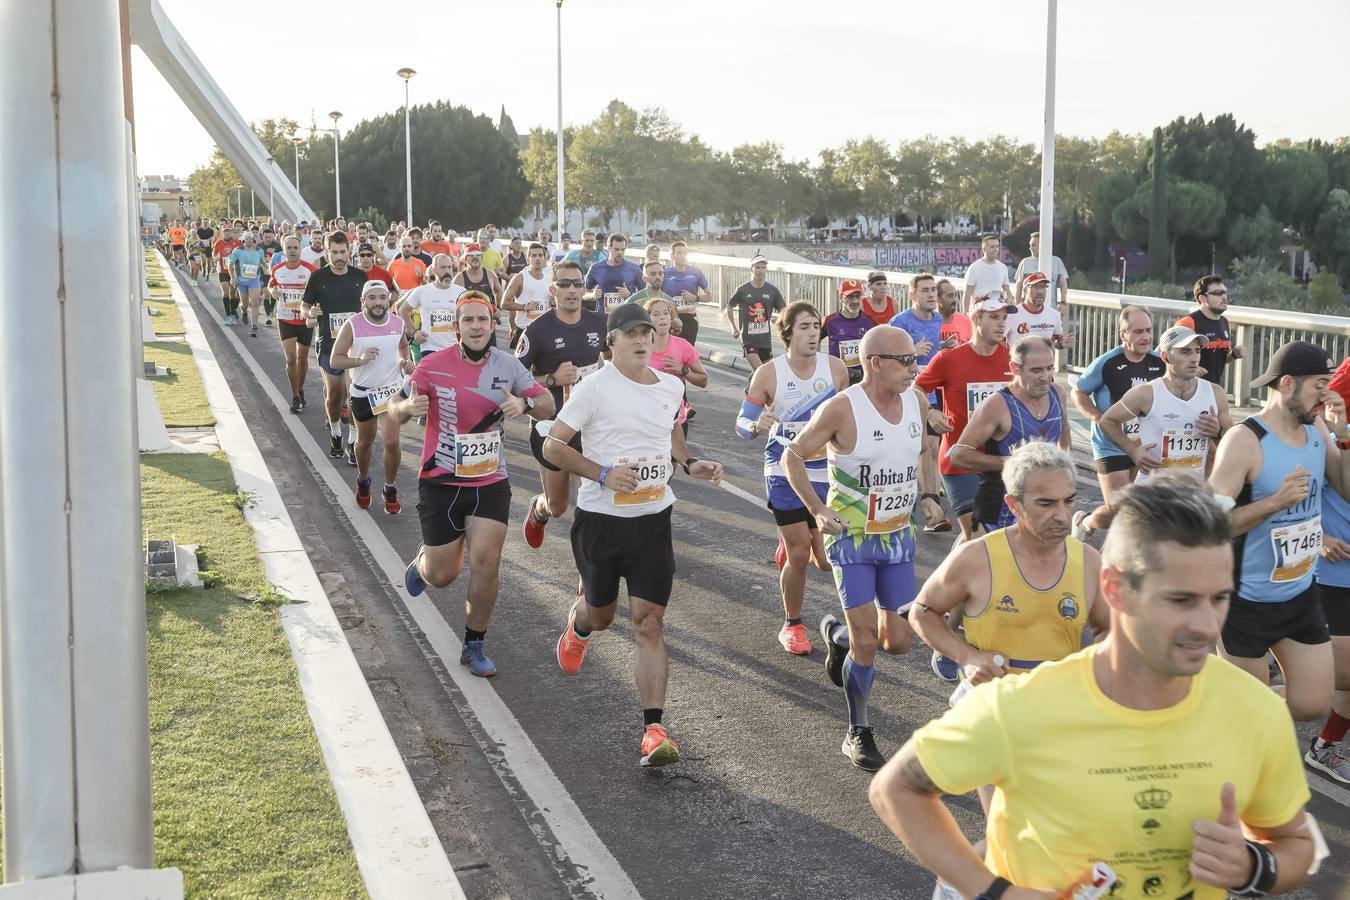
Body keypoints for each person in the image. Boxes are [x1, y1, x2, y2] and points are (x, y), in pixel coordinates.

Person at [870, 477, 1318, 900]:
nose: (1205, 626)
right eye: (1179, 600)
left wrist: (1252, 867)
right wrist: (993, 891)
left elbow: (1296, 844)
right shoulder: (1023, 705)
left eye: (1219, 598)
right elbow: (896, 790)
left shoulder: (1254, 708)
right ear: (1115, 588)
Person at [549, 303, 725, 768]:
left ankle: (653, 729)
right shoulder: (593, 389)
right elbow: (553, 445)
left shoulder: (671, 384)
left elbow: (669, 432)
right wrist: (602, 473)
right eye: (631, 334)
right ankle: (580, 622)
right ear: (612, 342)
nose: (643, 340)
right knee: (603, 617)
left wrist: (689, 463)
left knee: (648, 622)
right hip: (602, 521)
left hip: (652, 520)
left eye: (647, 332)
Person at [909, 441, 1108, 811]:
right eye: (1046, 504)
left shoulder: (1089, 562)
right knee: (1008, 825)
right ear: (1014, 505)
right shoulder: (977, 557)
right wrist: (966, 656)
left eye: (1069, 501)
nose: (1063, 516)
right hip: (992, 712)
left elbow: (1108, 631)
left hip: (1058, 713)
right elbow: (922, 611)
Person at [782, 326, 944, 771]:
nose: (916, 369)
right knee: (868, 641)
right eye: (906, 361)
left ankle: (837, 639)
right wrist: (816, 509)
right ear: (875, 363)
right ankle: (858, 730)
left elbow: (924, 454)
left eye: (916, 360)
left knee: (898, 643)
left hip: (896, 538)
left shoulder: (917, 400)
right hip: (852, 541)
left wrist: (929, 497)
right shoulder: (842, 408)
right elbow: (792, 457)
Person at [394, 293, 554, 677]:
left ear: (493, 321)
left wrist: (525, 406)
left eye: (483, 319)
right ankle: (424, 564)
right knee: (443, 575)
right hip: (441, 480)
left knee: (487, 562)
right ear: (457, 325)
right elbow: (396, 410)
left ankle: (474, 643)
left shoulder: (509, 366)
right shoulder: (432, 366)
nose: (477, 326)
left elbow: (547, 402)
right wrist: (407, 410)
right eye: (469, 320)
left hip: (489, 479)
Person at [1208, 340, 1348, 722]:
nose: (1327, 393)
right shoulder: (1245, 440)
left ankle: (1225, 700)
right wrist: (1275, 503)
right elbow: (1210, 525)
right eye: (1319, 384)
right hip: (1244, 601)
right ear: (1287, 383)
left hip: (1300, 594)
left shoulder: (1318, 429)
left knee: (1312, 705)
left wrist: (1345, 436)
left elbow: (1347, 489)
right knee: (1249, 718)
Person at [736, 302, 849, 655]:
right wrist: (756, 426)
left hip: (825, 469)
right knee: (800, 555)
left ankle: (790, 542)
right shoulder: (769, 374)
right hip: (783, 465)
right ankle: (793, 624)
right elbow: (742, 423)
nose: (813, 332)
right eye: (803, 326)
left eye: (816, 325)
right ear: (787, 333)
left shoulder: (835, 369)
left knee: (825, 559)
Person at [518, 260, 610, 548]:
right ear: (552, 289)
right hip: (551, 427)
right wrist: (550, 380)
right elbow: (514, 380)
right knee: (558, 507)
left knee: (590, 504)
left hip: (591, 427)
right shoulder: (537, 330)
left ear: (584, 288)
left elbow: (613, 359)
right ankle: (540, 508)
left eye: (577, 284)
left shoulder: (599, 322)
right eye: (564, 284)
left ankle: (587, 584)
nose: (571, 290)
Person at [915, 297, 1016, 542]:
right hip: (960, 460)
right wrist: (930, 411)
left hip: (1000, 460)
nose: (1001, 323)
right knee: (978, 534)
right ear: (976, 319)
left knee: (995, 537)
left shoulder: (1013, 359)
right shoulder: (948, 359)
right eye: (994, 317)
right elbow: (916, 389)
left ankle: (954, 574)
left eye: (1004, 317)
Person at [951, 336, 1070, 535]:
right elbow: (958, 456)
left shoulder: (1057, 393)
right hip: (999, 513)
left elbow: (1064, 428)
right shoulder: (997, 405)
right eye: (1036, 370)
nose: (1045, 376)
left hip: (1040, 508)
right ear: (1015, 369)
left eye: (1049, 368)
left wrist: (1063, 465)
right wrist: (1018, 463)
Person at [1069, 306, 1165, 540]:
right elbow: (1078, 393)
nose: (1145, 337)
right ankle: (1085, 522)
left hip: (1142, 444)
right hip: (1110, 442)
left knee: (1135, 509)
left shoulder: (1158, 363)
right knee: (1119, 509)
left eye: (1148, 331)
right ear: (1123, 334)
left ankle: (1114, 561)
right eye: (1137, 331)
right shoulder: (1108, 362)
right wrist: (1097, 417)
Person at [1099, 325, 1230, 486]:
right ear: (1165, 357)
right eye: (1185, 351)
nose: (1195, 358)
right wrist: (1132, 451)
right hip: (1152, 491)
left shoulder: (1215, 393)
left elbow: (1233, 441)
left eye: (1197, 351)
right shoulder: (1146, 394)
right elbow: (1107, 421)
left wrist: (1217, 433)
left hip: (1193, 492)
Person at [329, 280, 413, 514]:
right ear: (363, 301)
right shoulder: (353, 325)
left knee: (392, 441)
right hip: (364, 393)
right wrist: (360, 360)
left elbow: (403, 346)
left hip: (391, 392)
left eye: (382, 297)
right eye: (372, 298)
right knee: (364, 442)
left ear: (389, 299)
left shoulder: (397, 323)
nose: (378, 303)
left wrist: (404, 362)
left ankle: (390, 487)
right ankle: (363, 481)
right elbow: (335, 360)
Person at [1308, 355, 1350, 783]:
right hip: (1332, 579)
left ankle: (1325, 747)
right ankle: (1215, 714)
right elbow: (1295, 496)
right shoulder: (1329, 435)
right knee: (1316, 688)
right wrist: (1318, 537)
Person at [890, 272, 951, 534]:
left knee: (931, 445)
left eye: (933, 291)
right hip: (907, 393)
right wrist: (912, 351)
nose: (931, 295)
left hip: (937, 395)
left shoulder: (942, 320)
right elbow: (883, 360)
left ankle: (931, 505)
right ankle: (910, 500)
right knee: (917, 447)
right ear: (913, 295)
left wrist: (948, 347)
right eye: (925, 290)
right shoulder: (900, 322)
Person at [301, 231, 367, 462]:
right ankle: (336, 432)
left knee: (354, 395)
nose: (339, 257)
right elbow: (304, 307)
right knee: (335, 394)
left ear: (349, 251)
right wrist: (311, 313)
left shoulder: (360, 277)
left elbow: (370, 308)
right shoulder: (318, 277)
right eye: (334, 252)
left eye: (343, 252)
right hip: (329, 344)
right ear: (327, 252)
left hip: (356, 346)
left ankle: (352, 442)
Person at [269, 236, 317, 413]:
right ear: (283, 250)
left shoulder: (310, 270)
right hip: (285, 317)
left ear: (300, 249)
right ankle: (295, 395)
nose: (292, 250)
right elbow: (271, 285)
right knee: (290, 358)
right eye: (288, 247)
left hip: (304, 319)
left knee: (302, 358)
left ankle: (300, 387)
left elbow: (317, 291)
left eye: (295, 247)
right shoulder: (277, 269)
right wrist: (272, 291)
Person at [1177, 274, 1245, 387]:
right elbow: (1168, 354)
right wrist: (1191, 367)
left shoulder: (1225, 322)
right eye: (1218, 293)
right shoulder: (1188, 322)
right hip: (1187, 388)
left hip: (1213, 387)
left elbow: (1219, 359)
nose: (1224, 297)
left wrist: (1233, 355)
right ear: (1202, 298)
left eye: (1225, 292)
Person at [399, 254, 465, 362]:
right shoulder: (422, 291)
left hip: (456, 347)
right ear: (434, 270)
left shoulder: (461, 292)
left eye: (449, 267)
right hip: (430, 347)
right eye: (443, 268)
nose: (447, 271)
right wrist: (414, 332)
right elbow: (403, 310)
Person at [724, 255, 785, 371]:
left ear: (766, 269)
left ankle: (749, 389)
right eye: (757, 267)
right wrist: (733, 328)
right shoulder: (742, 290)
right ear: (751, 269)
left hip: (765, 340)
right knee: (760, 371)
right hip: (748, 338)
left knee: (763, 374)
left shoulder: (773, 291)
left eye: (763, 267)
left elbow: (784, 311)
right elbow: (728, 307)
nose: (760, 271)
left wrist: (778, 321)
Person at [500, 242, 554, 350]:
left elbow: (552, 303)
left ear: (545, 259)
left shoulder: (549, 278)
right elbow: (504, 304)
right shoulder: (520, 277)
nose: (537, 259)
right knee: (522, 366)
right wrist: (524, 307)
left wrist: (554, 302)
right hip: (525, 329)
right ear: (528, 259)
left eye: (540, 255)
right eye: (533, 255)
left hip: (545, 330)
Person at [1004, 272, 1074, 351]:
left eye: (1043, 287)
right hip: (1017, 363)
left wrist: (1061, 344)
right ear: (1025, 289)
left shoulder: (1054, 315)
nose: (1040, 292)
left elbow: (1055, 342)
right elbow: (999, 341)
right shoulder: (1011, 314)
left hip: (1044, 363)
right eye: (1035, 287)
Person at [823, 280, 873, 385]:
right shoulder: (830, 321)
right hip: (838, 376)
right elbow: (812, 338)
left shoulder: (869, 321)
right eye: (850, 297)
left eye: (858, 296)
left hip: (863, 377)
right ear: (841, 298)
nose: (855, 301)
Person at [662, 240, 711, 345]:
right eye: (679, 253)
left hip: (689, 319)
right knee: (671, 352)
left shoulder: (696, 271)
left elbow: (709, 296)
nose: (683, 256)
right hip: (671, 319)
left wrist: (695, 298)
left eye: (685, 253)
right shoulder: (665, 273)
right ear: (672, 256)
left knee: (687, 354)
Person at [584, 232, 643, 316]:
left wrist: (630, 295)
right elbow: (584, 293)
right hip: (603, 319)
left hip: (627, 319)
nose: (620, 252)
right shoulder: (596, 268)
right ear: (609, 248)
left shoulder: (634, 268)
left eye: (622, 250)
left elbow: (644, 295)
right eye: (616, 249)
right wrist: (592, 295)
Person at [1013, 231, 1069, 308]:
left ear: (1042, 245)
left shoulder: (1057, 262)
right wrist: (1017, 305)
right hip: (1029, 309)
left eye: (1033, 245)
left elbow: (1063, 284)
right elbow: (1019, 286)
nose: (1030, 248)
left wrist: (1063, 302)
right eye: (1030, 245)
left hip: (1051, 308)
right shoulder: (1025, 262)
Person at [228, 231, 267, 337]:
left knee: (255, 303)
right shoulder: (238, 250)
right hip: (241, 281)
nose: (249, 240)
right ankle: (244, 311)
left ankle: (254, 326)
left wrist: (267, 268)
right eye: (247, 238)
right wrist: (232, 277)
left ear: (254, 239)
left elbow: (262, 261)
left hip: (254, 280)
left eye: (251, 238)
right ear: (243, 240)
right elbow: (230, 264)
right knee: (244, 304)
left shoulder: (259, 250)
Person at [962, 234, 1011, 309]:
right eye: (992, 247)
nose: (996, 249)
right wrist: (966, 313)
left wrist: (1009, 306)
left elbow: (1007, 291)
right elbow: (967, 293)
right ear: (984, 249)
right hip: (980, 311)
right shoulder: (974, 268)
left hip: (998, 311)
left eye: (997, 246)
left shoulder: (1003, 268)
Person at [213, 224, 241, 324]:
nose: (227, 232)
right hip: (222, 270)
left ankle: (233, 312)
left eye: (228, 231)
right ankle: (228, 315)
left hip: (233, 271)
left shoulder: (237, 243)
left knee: (233, 295)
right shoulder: (218, 242)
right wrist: (215, 257)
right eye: (225, 231)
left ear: (231, 232)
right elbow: (214, 253)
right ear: (222, 232)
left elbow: (241, 254)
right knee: (225, 292)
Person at [935, 278, 971, 347]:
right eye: (950, 296)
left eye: (955, 295)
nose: (955, 300)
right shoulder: (927, 323)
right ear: (938, 298)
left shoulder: (966, 322)